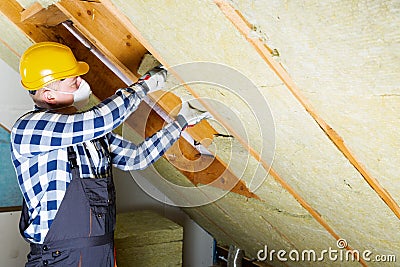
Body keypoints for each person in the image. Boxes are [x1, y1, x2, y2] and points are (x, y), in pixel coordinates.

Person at [11, 42, 209, 266]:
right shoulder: (29, 128)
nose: (81, 84)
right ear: (49, 95)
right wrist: (144, 86)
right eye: (73, 81)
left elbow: (136, 158)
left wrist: (180, 123)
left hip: (101, 251)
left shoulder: (88, 133)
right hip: (60, 258)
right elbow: (101, 119)